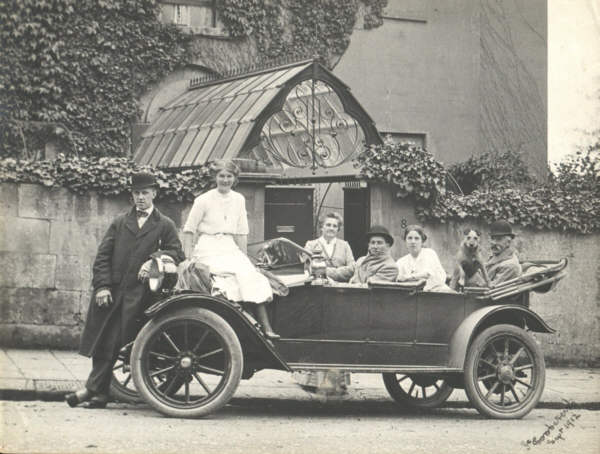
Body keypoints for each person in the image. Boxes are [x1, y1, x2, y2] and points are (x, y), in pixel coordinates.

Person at [66, 172, 185, 409]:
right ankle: (99, 394)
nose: (140, 198)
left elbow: (177, 253)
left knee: (115, 342)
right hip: (113, 291)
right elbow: (103, 256)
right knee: (102, 341)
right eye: (136, 193)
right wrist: (102, 286)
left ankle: (92, 390)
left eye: (145, 193)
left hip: (141, 296)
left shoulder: (165, 224)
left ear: (154, 194)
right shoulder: (120, 222)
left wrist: (154, 259)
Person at [181, 160, 279, 338]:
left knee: (250, 275)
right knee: (225, 282)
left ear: (235, 178)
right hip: (208, 246)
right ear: (215, 177)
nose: (225, 180)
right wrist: (188, 257)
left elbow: (241, 232)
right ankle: (248, 324)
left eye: (229, 176)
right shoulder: (203, 200)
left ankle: (266, 327)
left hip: (229, 246)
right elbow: (189, 229)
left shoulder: (239, 199)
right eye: (222, 176)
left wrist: (244, 259)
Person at [396, 224, 452, 292]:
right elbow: (398, 279)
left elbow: (427, 274)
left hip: (438, 291)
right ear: (405, 240)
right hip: (416, 294)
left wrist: (407, 277)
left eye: (416, 238)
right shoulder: (401, 261)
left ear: (422, 241)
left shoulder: (429, 253)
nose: (413, 242)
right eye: (410, 238)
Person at [469, 220, 522, 287]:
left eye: (499, 239)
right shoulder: (496, 256)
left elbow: (491, 289)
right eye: (492, 238)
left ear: (508, 242)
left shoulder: (510, 265)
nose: (493, 243)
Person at [304, 212, 355, 282]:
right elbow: (307, 268)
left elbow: (352, 268)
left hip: (341, 286)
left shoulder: (345, 245)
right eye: (328, 225)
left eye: (335, 226)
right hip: (318, 286)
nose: (331, 228)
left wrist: (325, 271)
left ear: (338, 229)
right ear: (321, 227)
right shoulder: (311, 245)